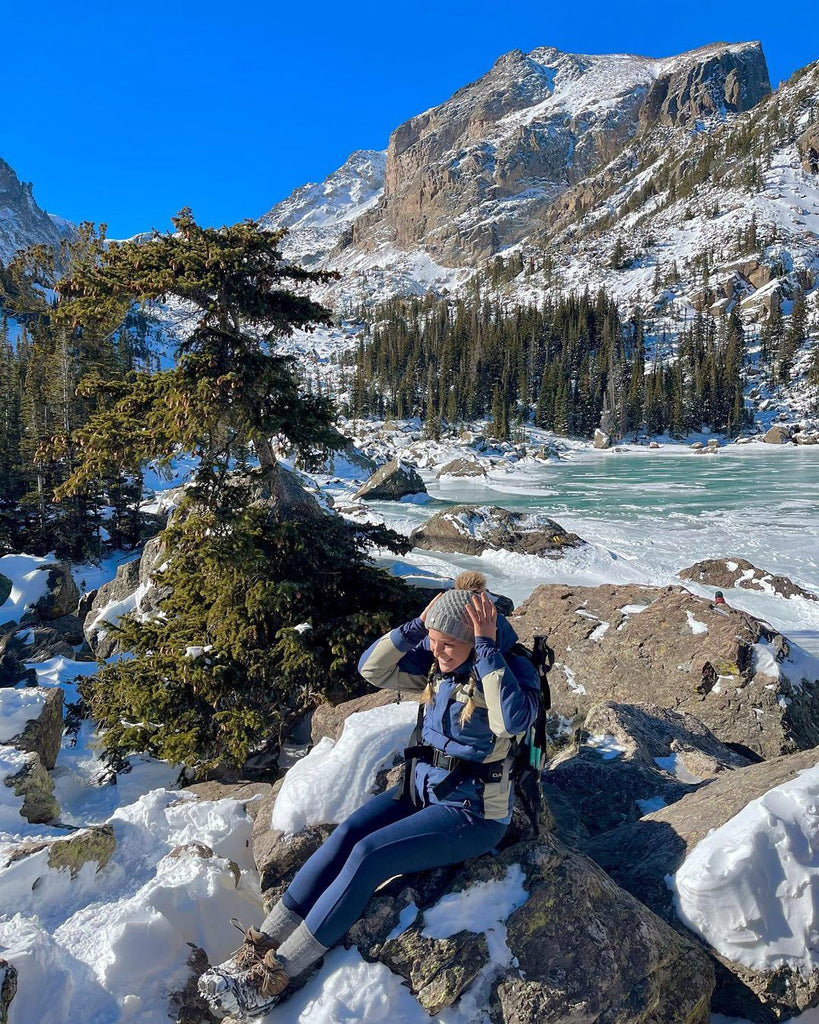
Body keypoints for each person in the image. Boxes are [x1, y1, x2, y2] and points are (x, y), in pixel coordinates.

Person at [198, 570, 540, 1019]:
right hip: (419, 790)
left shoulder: (510, 669)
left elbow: (511, 722)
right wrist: (417, 628)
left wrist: (488, 649)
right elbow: (372, 669)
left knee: (369, 855)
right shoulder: (439, 662)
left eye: (448, 646)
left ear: (475, 641)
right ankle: (263, 943)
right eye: (434, 642)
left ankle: (278, 973)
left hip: (473, 813)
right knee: (346, 837)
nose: (437, 653)